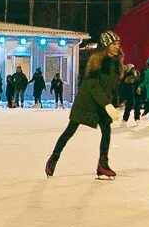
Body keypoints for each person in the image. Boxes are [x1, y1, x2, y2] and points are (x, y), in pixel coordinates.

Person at [46, 33, 123, 179]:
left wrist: (115, 103)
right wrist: (107, 104)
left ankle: (102, 164)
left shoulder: (115, 63)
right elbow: (93, 86)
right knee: (70, 131)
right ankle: (53, 159)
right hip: (87, 102)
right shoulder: (97, 62)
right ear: (106, 45)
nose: (116, 47)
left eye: (118, 44)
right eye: (113, 44)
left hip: (102, 102)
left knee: (106, 131)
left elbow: (112, 87)